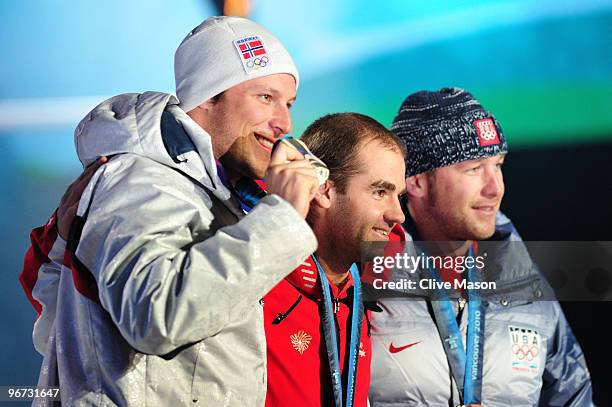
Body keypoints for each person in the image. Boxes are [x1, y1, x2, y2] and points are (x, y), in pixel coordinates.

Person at [20, 16, 321, 406]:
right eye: (266, 97)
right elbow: (156, 316)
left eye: (289, 103)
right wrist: (281, 220)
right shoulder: (141, 181)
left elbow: (57, 323)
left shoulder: (214, 191)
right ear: (209, 96)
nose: (285, 123)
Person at [368, 87, 594, 406]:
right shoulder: (363, 277)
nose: (495, 188)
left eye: (498, 165)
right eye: (473, 169)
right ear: (415, 181)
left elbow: (574, 397)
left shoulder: (526, 285)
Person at [262, 113, 406, 406]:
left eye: (398, 195)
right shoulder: (258, 280)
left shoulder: (366, 282)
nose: (397, 214)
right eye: (380, 192)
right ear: (324, 190)